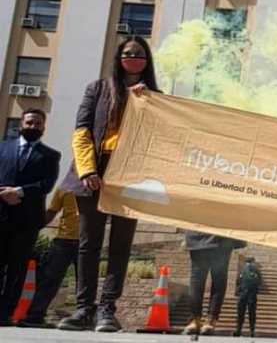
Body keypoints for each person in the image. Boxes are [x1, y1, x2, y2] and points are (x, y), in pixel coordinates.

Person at [58, 36, 160, 333]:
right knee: (89, 244)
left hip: (131, 175)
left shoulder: (155, 96)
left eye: (139, 54)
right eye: (128, 53)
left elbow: (157, 139)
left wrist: (144, 102)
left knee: (120, 246)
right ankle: (83, 309)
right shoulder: (98, 88)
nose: (133, 58)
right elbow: (81, 131)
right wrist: (87, 170)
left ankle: (107, 310)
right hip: (94, 171)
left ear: (147, 60)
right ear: (118, 57)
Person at [0, 109, 61, 326]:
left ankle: (5, 313)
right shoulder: (2, 148)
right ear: (21, 123)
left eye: (38, 124)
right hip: (1, 215)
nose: (33, 127)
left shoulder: (50, 155)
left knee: (16, 269)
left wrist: (18, 192)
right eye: (29, 122)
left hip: (27, 221)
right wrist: (4, 193)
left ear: (43, 127)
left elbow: (47, 184)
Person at [18, 188, 79, 328]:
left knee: (85, 283)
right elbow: (52, 212)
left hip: (88, 242)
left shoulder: (98, 188)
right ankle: (34, 316)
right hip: (64, 239)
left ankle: (84, 317)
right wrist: (34, 228)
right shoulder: (64, 189)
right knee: (49, 278)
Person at [182, 232, 246, 335]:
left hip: (220, 236)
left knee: (217, 278)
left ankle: (208, 319)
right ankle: (197, 319)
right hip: (202, 232)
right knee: (199, 279)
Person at [234, 257, 262, 338]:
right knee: (246, 313)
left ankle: (248, 331)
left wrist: (239, 290)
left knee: (246, 313)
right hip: (248, 294)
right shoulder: (251, 270)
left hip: (247, 294)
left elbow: (238, 282)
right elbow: (260, 281)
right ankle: (242, 330)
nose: (249, 264)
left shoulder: (245, 270)